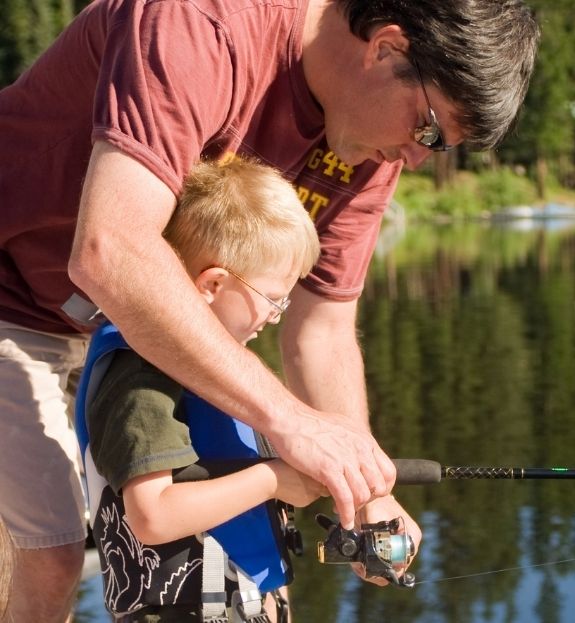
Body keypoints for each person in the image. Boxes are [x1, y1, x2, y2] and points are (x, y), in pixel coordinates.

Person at [0, 0, 540, 620]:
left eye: (441, 149)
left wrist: (365, 490)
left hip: (119, 326)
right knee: (46, 557)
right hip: (14, 292)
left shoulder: (365, 145)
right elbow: (111, 251)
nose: (417, 158)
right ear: (386, 47)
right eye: (429, 129)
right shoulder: (202, 25)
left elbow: (323, 329)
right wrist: (289, 421)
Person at [78, 156, 324, 621]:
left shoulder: (224, 374)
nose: (277, 316)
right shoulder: (139, 373)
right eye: (274, 299)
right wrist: (276, 479)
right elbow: (153, 517)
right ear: (212, 284)